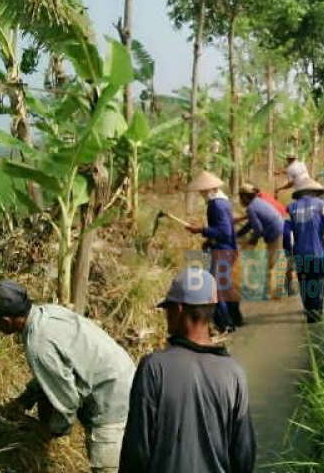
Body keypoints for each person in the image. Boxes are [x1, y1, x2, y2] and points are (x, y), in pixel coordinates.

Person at [0, 281, 135, 473]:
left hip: (113, 401)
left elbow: (67, 403)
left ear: (6, 321)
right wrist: (25, 400)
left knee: (106, 468)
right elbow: (56, 371)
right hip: (128, 379)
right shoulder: (48, 313)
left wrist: (48, 432)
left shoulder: (38, 344)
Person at [119, 268, 256, 473]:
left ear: (179, 309)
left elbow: (136, 451)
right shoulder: (234, 373)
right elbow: (244, 455)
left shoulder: (153, 368)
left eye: (168, 309)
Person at [185, 171, 242, 332]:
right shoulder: (223, 202)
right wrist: (209, 240)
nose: (202, 194)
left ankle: (226, 324)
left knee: (216, 287)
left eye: (203, 191)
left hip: (224, 249)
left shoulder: (216, 205)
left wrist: (201, 230)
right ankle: (235, 319)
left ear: (211, 190)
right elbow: (223, 228)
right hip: (226, 248)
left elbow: (224, 232)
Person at [283, 177, 324, 323]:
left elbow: (287, 234)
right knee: (318, 283)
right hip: (318, 253)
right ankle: (316, 314)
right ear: (314, 192)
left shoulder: (290, 208)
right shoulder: (322, 205)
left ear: (299, 194)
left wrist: (289, 253)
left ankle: (309, 312)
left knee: (304, 283)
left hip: (300, 254)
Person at [237, 183, 287, 300]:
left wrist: (251, 241)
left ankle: (271, 293)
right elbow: (251, 224)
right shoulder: (257, 202)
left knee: (270, 264)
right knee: (273, 261)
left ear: (245, 197)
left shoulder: (251, 208)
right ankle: (275, 290)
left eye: (240, 197)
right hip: (279, 230)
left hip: (275, 233)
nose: (240, 200)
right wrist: (237, 234)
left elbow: (258, 230)